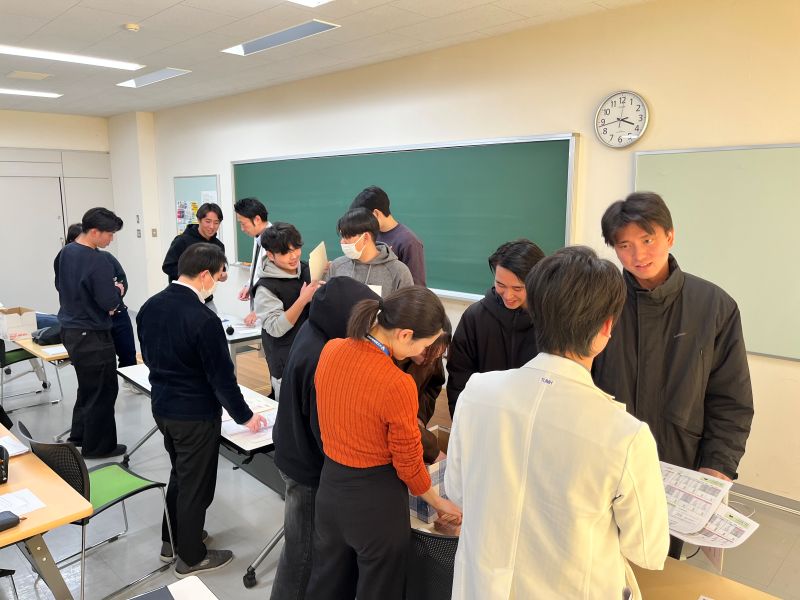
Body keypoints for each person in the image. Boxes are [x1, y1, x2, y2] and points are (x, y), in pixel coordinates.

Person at [446, 246, 670, 600]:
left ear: (535, 312)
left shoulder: (476, 393)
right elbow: (648, 551)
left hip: (482, 587)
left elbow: (457, 490)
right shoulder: (625, 434)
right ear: (607, 327)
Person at [592, 192, 754, 558]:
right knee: (601, 560)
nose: (638, 254)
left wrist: (717, 466)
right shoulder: (600, 302)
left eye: (647, 239)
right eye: (625, 245)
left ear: (670, 236)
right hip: (606, 464)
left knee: (659, 563)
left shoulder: (714, 306)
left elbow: (731, 400)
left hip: (679, 467)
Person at [305, 286, 462, 600]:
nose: (424, 355)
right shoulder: (397, 383)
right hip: (375, 502)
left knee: (327, 582)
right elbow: (408, 464)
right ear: (405, 335)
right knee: (379, 589)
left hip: (330, 489)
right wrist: (439, 502)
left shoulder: (332, 349)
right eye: (426, 345)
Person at [137, 243, 268, 578]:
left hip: (163, 406)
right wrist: (245, 416)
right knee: (196, 485)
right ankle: (191, 557)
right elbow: (221, 378)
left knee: (181, 474)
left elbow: (150, 357)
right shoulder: (203, 318)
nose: (219, 281)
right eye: (220, 275)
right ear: (205, 274)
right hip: (193, 415)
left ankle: (172, 540)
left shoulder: (150, 306)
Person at [270, 278, 380, 600]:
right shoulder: (322, 357)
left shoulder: (313, 329)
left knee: (302, 547)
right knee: (302, 553)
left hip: (292, 450)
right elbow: (325, 430)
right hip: (306, 468)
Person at [55, 207, 126, 458]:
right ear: (94, 232)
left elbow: (60, 285)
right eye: (110, 234)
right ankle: (98, 447)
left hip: (70, 329)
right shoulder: (98, 260)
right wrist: (118, 290)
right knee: (103, 390)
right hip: (93, 333)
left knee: (87, 387)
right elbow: (109, 302)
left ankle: (80, 435)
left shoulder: (66, 252)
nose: (111, 239)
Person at [446, 238, 545, 416]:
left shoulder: (552, 322)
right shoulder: (474, 317)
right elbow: (459, 378)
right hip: (485, 417)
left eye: (518, 288)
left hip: (534, 421)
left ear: (538, 281)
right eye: (500, 285)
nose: (508, 295)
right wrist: (462, 420)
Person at [253, 222, 322, 401]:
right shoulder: (265, 287)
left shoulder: (305, 269)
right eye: (285, 253)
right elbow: (276, 328)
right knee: (289, 410)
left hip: (312, 356)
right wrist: (303, 299)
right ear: (270, 255)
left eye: (296, 249)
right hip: (286, 362)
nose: (293, 256)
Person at [60, 223, 137, 370]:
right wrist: (110, 298)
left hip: (117, 314)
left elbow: (122, 282)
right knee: (101, 367)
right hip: (94, 322)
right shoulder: (67, 258)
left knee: (128, 354)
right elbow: (67, 289)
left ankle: (128, 377)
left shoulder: (105, 258)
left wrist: (114, 301)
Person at [325, 207, 413, 298]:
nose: (342, 242)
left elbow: (407, 305)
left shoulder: (398, 271)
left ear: (365, 237)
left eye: (347, 236)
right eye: (342, 236)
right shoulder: (336, 266)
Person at [350, 185, 426, 285]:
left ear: (376, 214)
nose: (362, 223)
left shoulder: (409, 242)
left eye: (364, 218)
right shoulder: (370, 235)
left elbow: (417, 287)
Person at [396, 330, 451, 464]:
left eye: (437, 355)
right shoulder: (390, 363)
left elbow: (432, 385)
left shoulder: (432, 352)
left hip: (413, 430)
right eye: (426, 352)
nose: (429, 360)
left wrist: (420, 415)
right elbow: (400, 421)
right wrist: (435, 453)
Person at [162, 203, 227, 309]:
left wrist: (222, 275)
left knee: (212, 318)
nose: (212, 226)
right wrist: (193, 276)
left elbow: (220, 270)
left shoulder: (218, 246)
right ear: (199, 220)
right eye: (208, 221)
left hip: (206, 300)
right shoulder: (182, 241)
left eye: (216, 223)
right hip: (181, 298)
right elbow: (168, 266)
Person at [234, 197, 270, 326]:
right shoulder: (259, 236)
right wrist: (249, 285)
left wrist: (259, 310)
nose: (242, 229)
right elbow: (258, 269)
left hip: (270, 310)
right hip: (260, 307)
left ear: (257, 219)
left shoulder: (274, 241)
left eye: (243, 224)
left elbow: (274, 281)